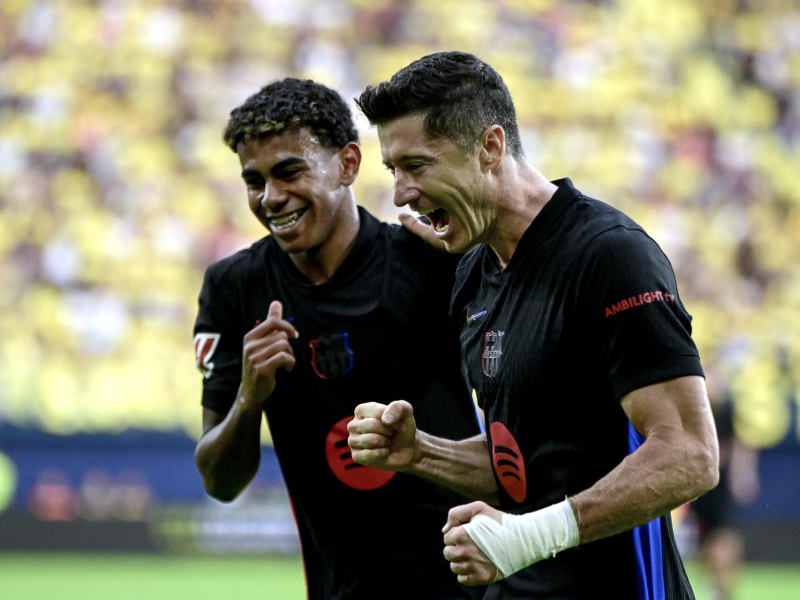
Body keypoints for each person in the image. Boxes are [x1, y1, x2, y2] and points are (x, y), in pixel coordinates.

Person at [347, 51, 720, 599]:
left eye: (417, 166)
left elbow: (690, 454)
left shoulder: (609, 256)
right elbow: (524, 466)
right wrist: (420, 452)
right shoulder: (473, 274)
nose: (400, 192)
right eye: (393, 171)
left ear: (491, 147)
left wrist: (527, 538)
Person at [192, 78, 486, 600]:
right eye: (253, 181)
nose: (271, 197)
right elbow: (220, 481)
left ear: (348, 164)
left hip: (467, 583)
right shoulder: (234, 288)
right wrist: (249, 396)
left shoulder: (429, 260)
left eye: (289, 171)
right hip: (340, 589)